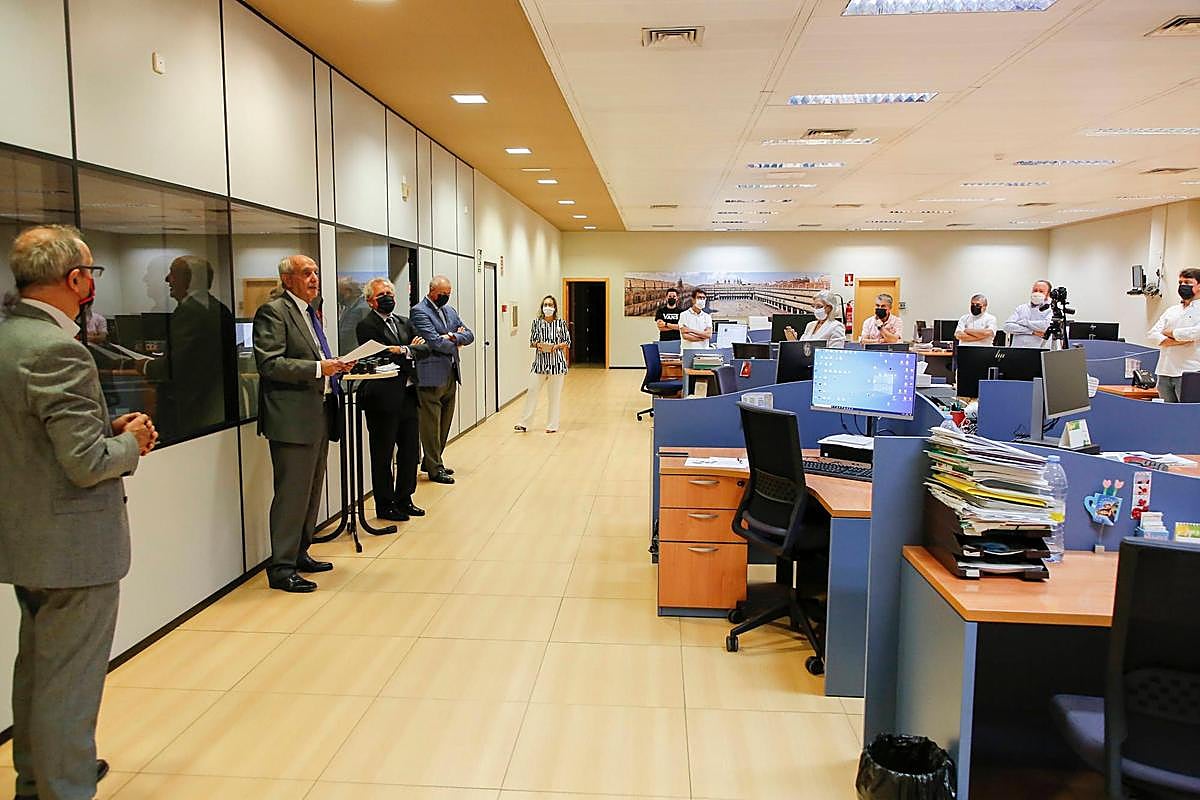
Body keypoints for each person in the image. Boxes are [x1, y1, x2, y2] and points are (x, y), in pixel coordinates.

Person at [0, 225, 157, 800]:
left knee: (38, 669)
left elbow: (31, 435)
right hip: (74, 549)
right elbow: (88, 464)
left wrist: (103, 428)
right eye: (92, 272)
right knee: (70, 680)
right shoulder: (59, 349)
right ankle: (64, 785)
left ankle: (36, 779)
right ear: (76, 280)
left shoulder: (9, 339)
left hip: (27, 538)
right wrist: (131, 442)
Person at [253, 255, 353, 593]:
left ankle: (300, 553)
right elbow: (270, 364)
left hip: (319, 412)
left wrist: (334, 366)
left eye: (316, 272)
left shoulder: (310, 312)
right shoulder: (274, 312)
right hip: (291, 419)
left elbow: (314, 356)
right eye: (306, 273)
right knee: (292, 495)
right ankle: (281, 568)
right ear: (287, 279)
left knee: (311, 491)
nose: (314, 278)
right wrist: (319, 369)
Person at [355, 277, 430, 521]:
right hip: (382, 399)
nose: (387, 297)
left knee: (409, 451)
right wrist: (407, 350)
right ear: (370, 301)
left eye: (390, 293)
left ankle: (404, 498)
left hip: (408, 395)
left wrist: (404, 349)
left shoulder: (404, 321)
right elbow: (379, 355)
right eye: (381, 295)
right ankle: (385, 504)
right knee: (383, 453)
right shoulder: (366, 326)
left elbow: (425, 348)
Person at [141, 256, 236, 434]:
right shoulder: (220, 309)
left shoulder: (190, 312)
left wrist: (145, 366)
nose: (167, 279)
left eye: (172, 274)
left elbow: (177, 366)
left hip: (191, 413)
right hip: (214, 411)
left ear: (189, 279)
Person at [411, 275, 474, 485]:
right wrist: (455, 341)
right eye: (442, 294)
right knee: (431, 425)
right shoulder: (420, 311)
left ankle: (432, 461)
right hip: (430, 375)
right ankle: (434, 468)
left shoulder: (450, 311)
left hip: (451, 373)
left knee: (445, 422)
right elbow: (434, 342)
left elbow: (469, 335)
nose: (445, 297)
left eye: (448, 293)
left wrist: (452, 337)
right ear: (431, 292)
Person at [515, 295, 571, 434]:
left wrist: (556, 346)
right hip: (540, 363)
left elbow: (567, 342)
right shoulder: (536, 323)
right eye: (545, 305)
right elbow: (532, 341)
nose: (547, 307)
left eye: (550, 305)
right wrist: (538, 345)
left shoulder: (561, 323)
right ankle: (524, 423)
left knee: (554, 396)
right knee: (532, 391)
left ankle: (552, 425)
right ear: (542, 307)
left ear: (555, 307)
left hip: (557, 364)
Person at [1147, 268, 1200, 402]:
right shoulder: (1172, 310)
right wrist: (1180, 340)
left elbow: (1195, 333)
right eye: (1180, 282)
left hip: (1189, 371)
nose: (1182, 285)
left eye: (1187, 282)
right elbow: (1153, 334)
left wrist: (1169, 333)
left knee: (1186, 412)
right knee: (1166, 412)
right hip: (1164, 371)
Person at [1004, 279, 1054, 348]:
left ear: (1048, 294)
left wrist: (1023, 322)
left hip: (1038, 349)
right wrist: (1032, 332)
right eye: (1035, 290)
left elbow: (1045, 326)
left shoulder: (1051, 309)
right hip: (1017, 349)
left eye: (1041, 291)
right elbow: (1007, 326)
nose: (1037, 293)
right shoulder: (1021, 308)